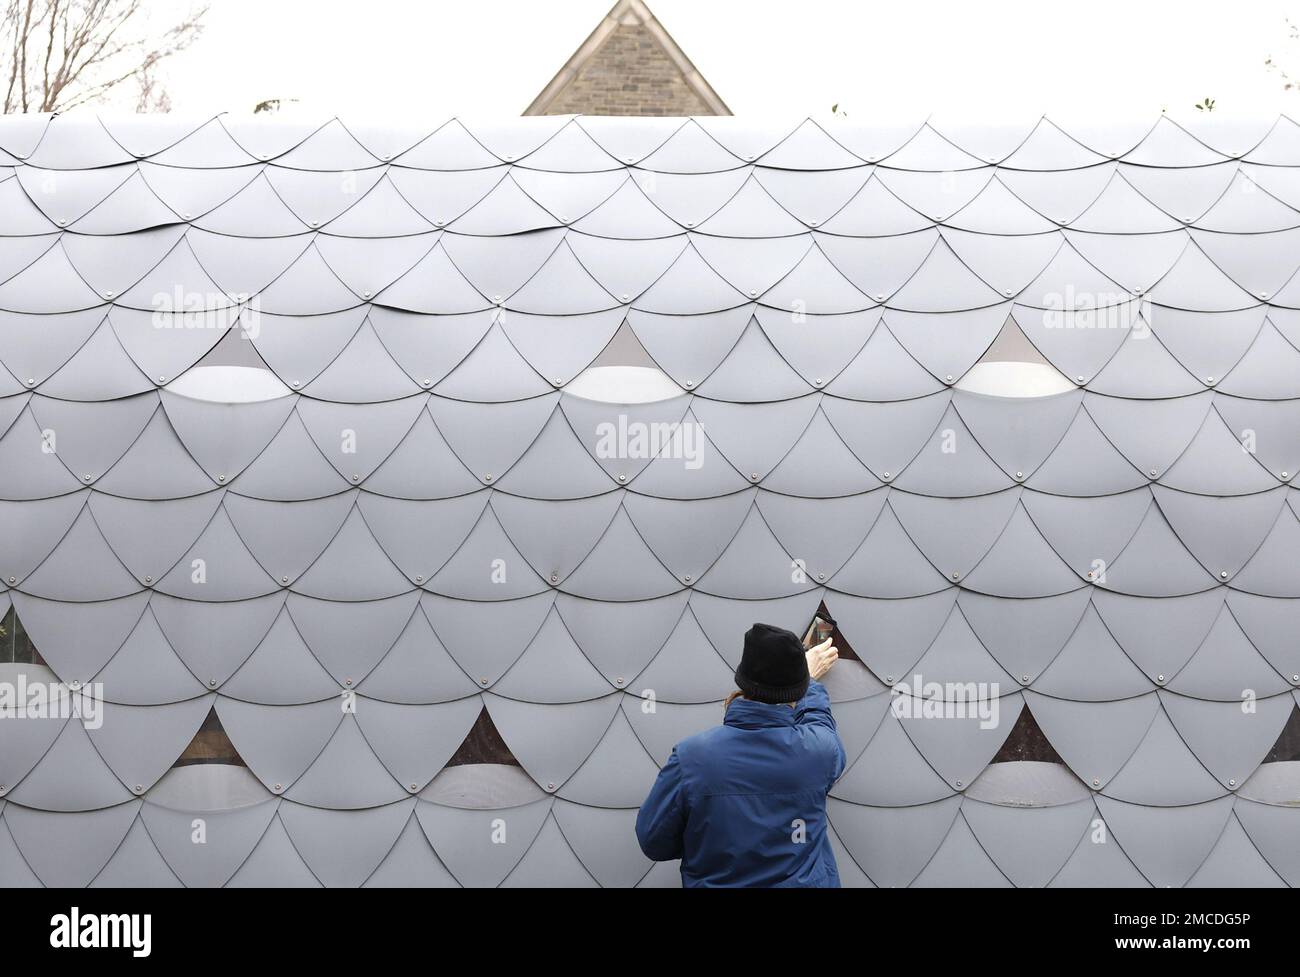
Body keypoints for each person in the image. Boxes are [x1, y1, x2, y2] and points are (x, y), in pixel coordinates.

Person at [634, 622, 846, 887]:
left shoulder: (691, 758)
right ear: (798, 691)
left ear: (743, 680)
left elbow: (653, 841)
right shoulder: (819, 753)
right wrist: (809, 682)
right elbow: (819, 722)